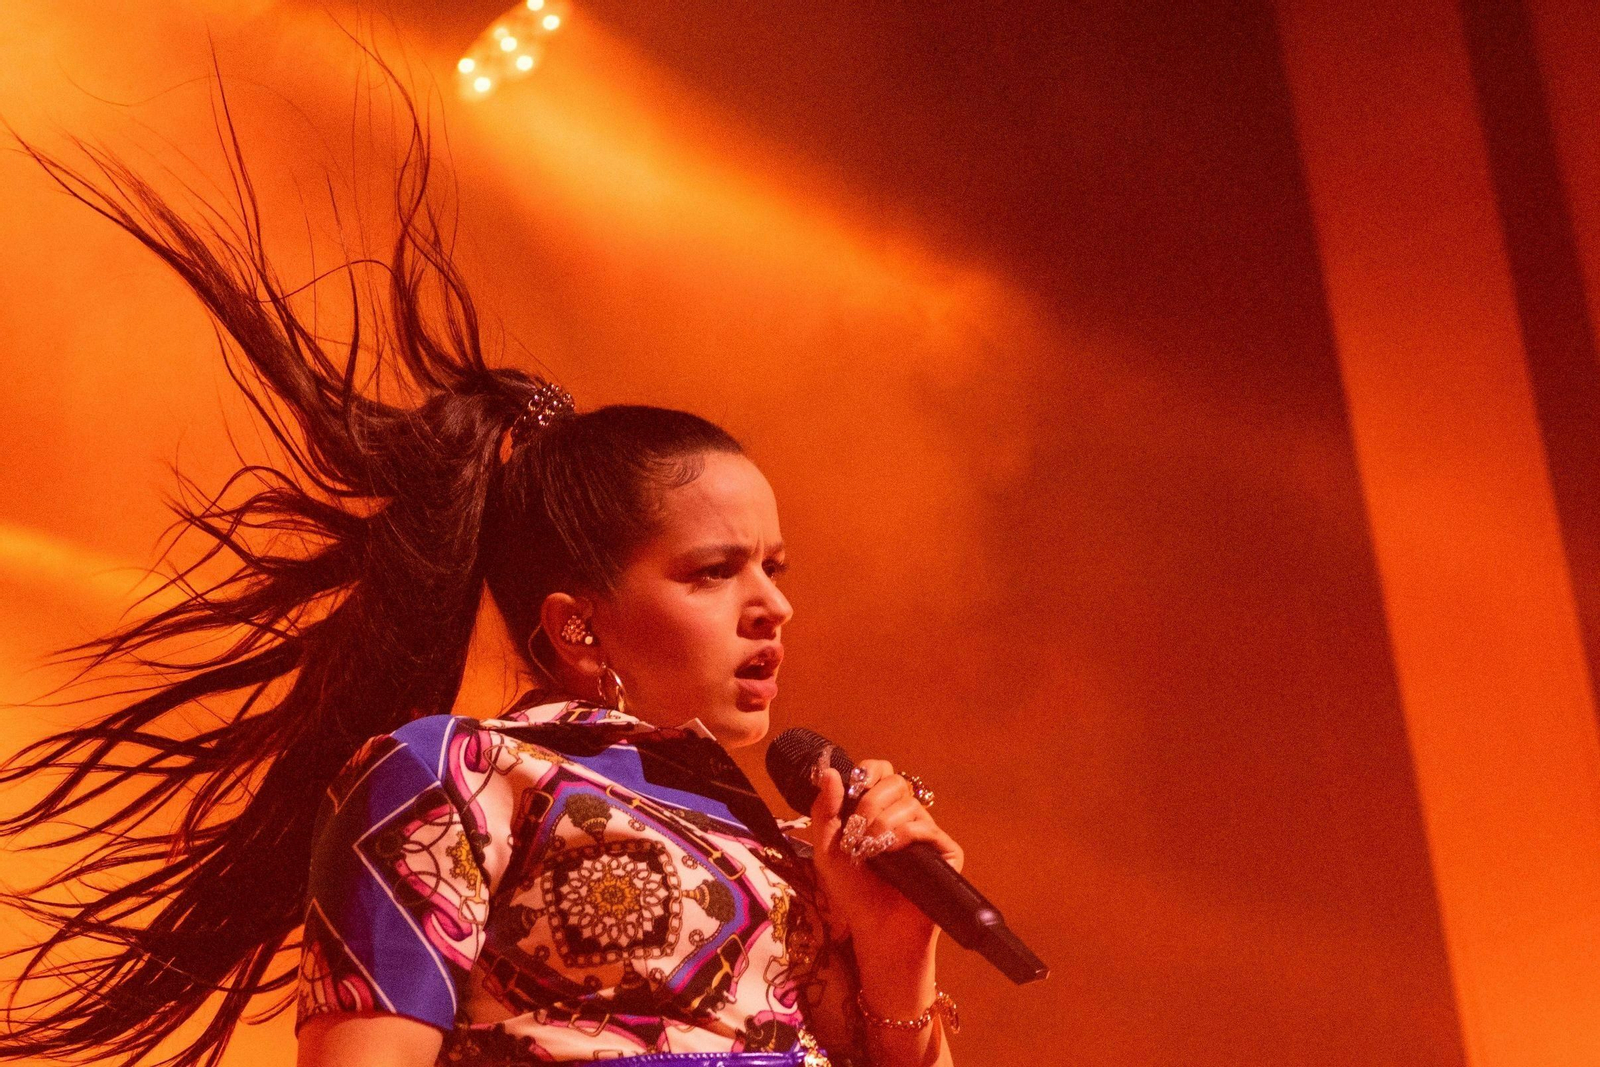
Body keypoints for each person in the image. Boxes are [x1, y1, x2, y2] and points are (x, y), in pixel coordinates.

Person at [0, 79, 963, 1067]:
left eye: (774, 565)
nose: (773, 604)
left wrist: (895, 948)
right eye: (714, 571)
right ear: (577, 622)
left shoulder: (790, 856)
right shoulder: (450, 777)